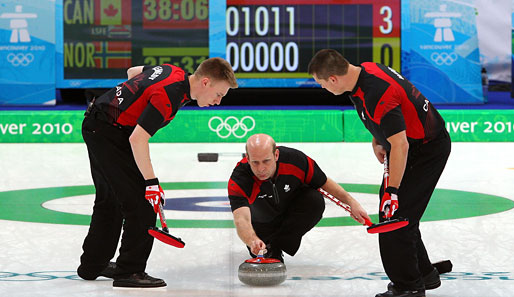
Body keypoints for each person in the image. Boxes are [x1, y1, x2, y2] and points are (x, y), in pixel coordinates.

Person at [77, 58, 238, 288]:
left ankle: (93, 265)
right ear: (205, 82)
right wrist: (151, 183)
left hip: (100, 122)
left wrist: (128, 104)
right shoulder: (168, 97)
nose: (218, 101)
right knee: (142, 203)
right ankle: (129, 271)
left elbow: (133, 72)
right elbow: (138, 139)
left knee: (110, 198)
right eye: (219, 94)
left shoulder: (172, 71)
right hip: (108, 132)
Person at [308, 49, 451, 297]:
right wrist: (378, 138)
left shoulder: (377, 93)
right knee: (401, 214)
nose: (323, 89)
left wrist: (393, 191)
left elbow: (401, 144)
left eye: (321, 83)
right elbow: (386, 116)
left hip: (425, 149)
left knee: (394, 218)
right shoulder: (365, 71)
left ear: (333, 79)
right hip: (413, 143)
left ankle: (409, 288)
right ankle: (424, 273)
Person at [228, 133, 370, 262]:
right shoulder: (240, 179)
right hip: (261, 225)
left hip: (290, 213)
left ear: (276, 155)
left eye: (266, 161)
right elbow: (242, 219)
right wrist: (252, 240)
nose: (261, 169)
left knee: (315, 200)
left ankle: (278, 244)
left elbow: (324, 182)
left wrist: (352, 203)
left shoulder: (295, 161)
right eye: (255, 162)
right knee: (260, 244)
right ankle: (269, 247)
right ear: (247, 158)